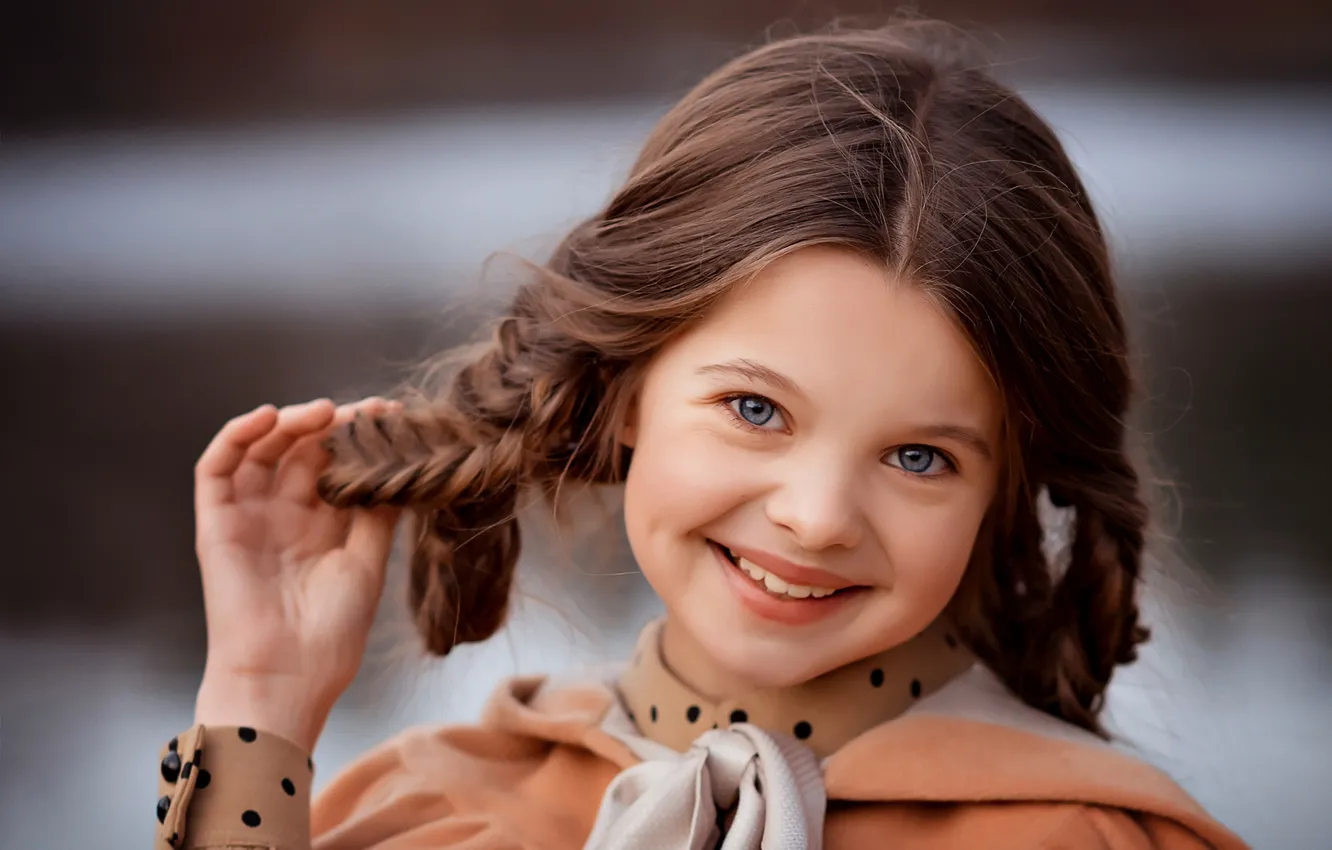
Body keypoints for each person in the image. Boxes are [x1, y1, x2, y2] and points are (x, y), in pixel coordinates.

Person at [151, 21, 1249, 850]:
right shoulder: (429, 806)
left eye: (921, 456)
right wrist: (258, 701)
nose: (816, 516)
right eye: (755, 408)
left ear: (1007, 483)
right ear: (626, 388)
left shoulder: (1082, 836)